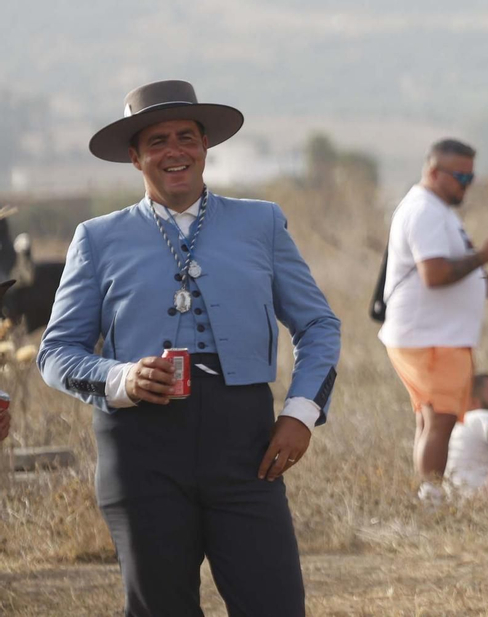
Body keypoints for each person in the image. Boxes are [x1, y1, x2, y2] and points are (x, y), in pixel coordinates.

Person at [37, 80, 341, 617]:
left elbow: (318, 324)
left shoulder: (262, 223)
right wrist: (121, 378)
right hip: (140, 447)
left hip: (245, 443)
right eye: (157, 141)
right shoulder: (97, 238)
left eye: (185, 137)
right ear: (135, 157)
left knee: (274, 603)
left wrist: (300, 413)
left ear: (205, 145)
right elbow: (56, 352)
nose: (174, 151)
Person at [379, 138, 488, 500]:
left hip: (436, 335)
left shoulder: (437, 210)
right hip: (430, 336)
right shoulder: (424, 210)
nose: (465, 185)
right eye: (459, 176)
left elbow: (446, 265)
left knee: (432, 419)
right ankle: (433, 499)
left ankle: (431, 496)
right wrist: (485, 256)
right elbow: (435, 274)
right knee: (439, 420)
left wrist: (479, 278)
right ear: (433, 170)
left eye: (470, 177)